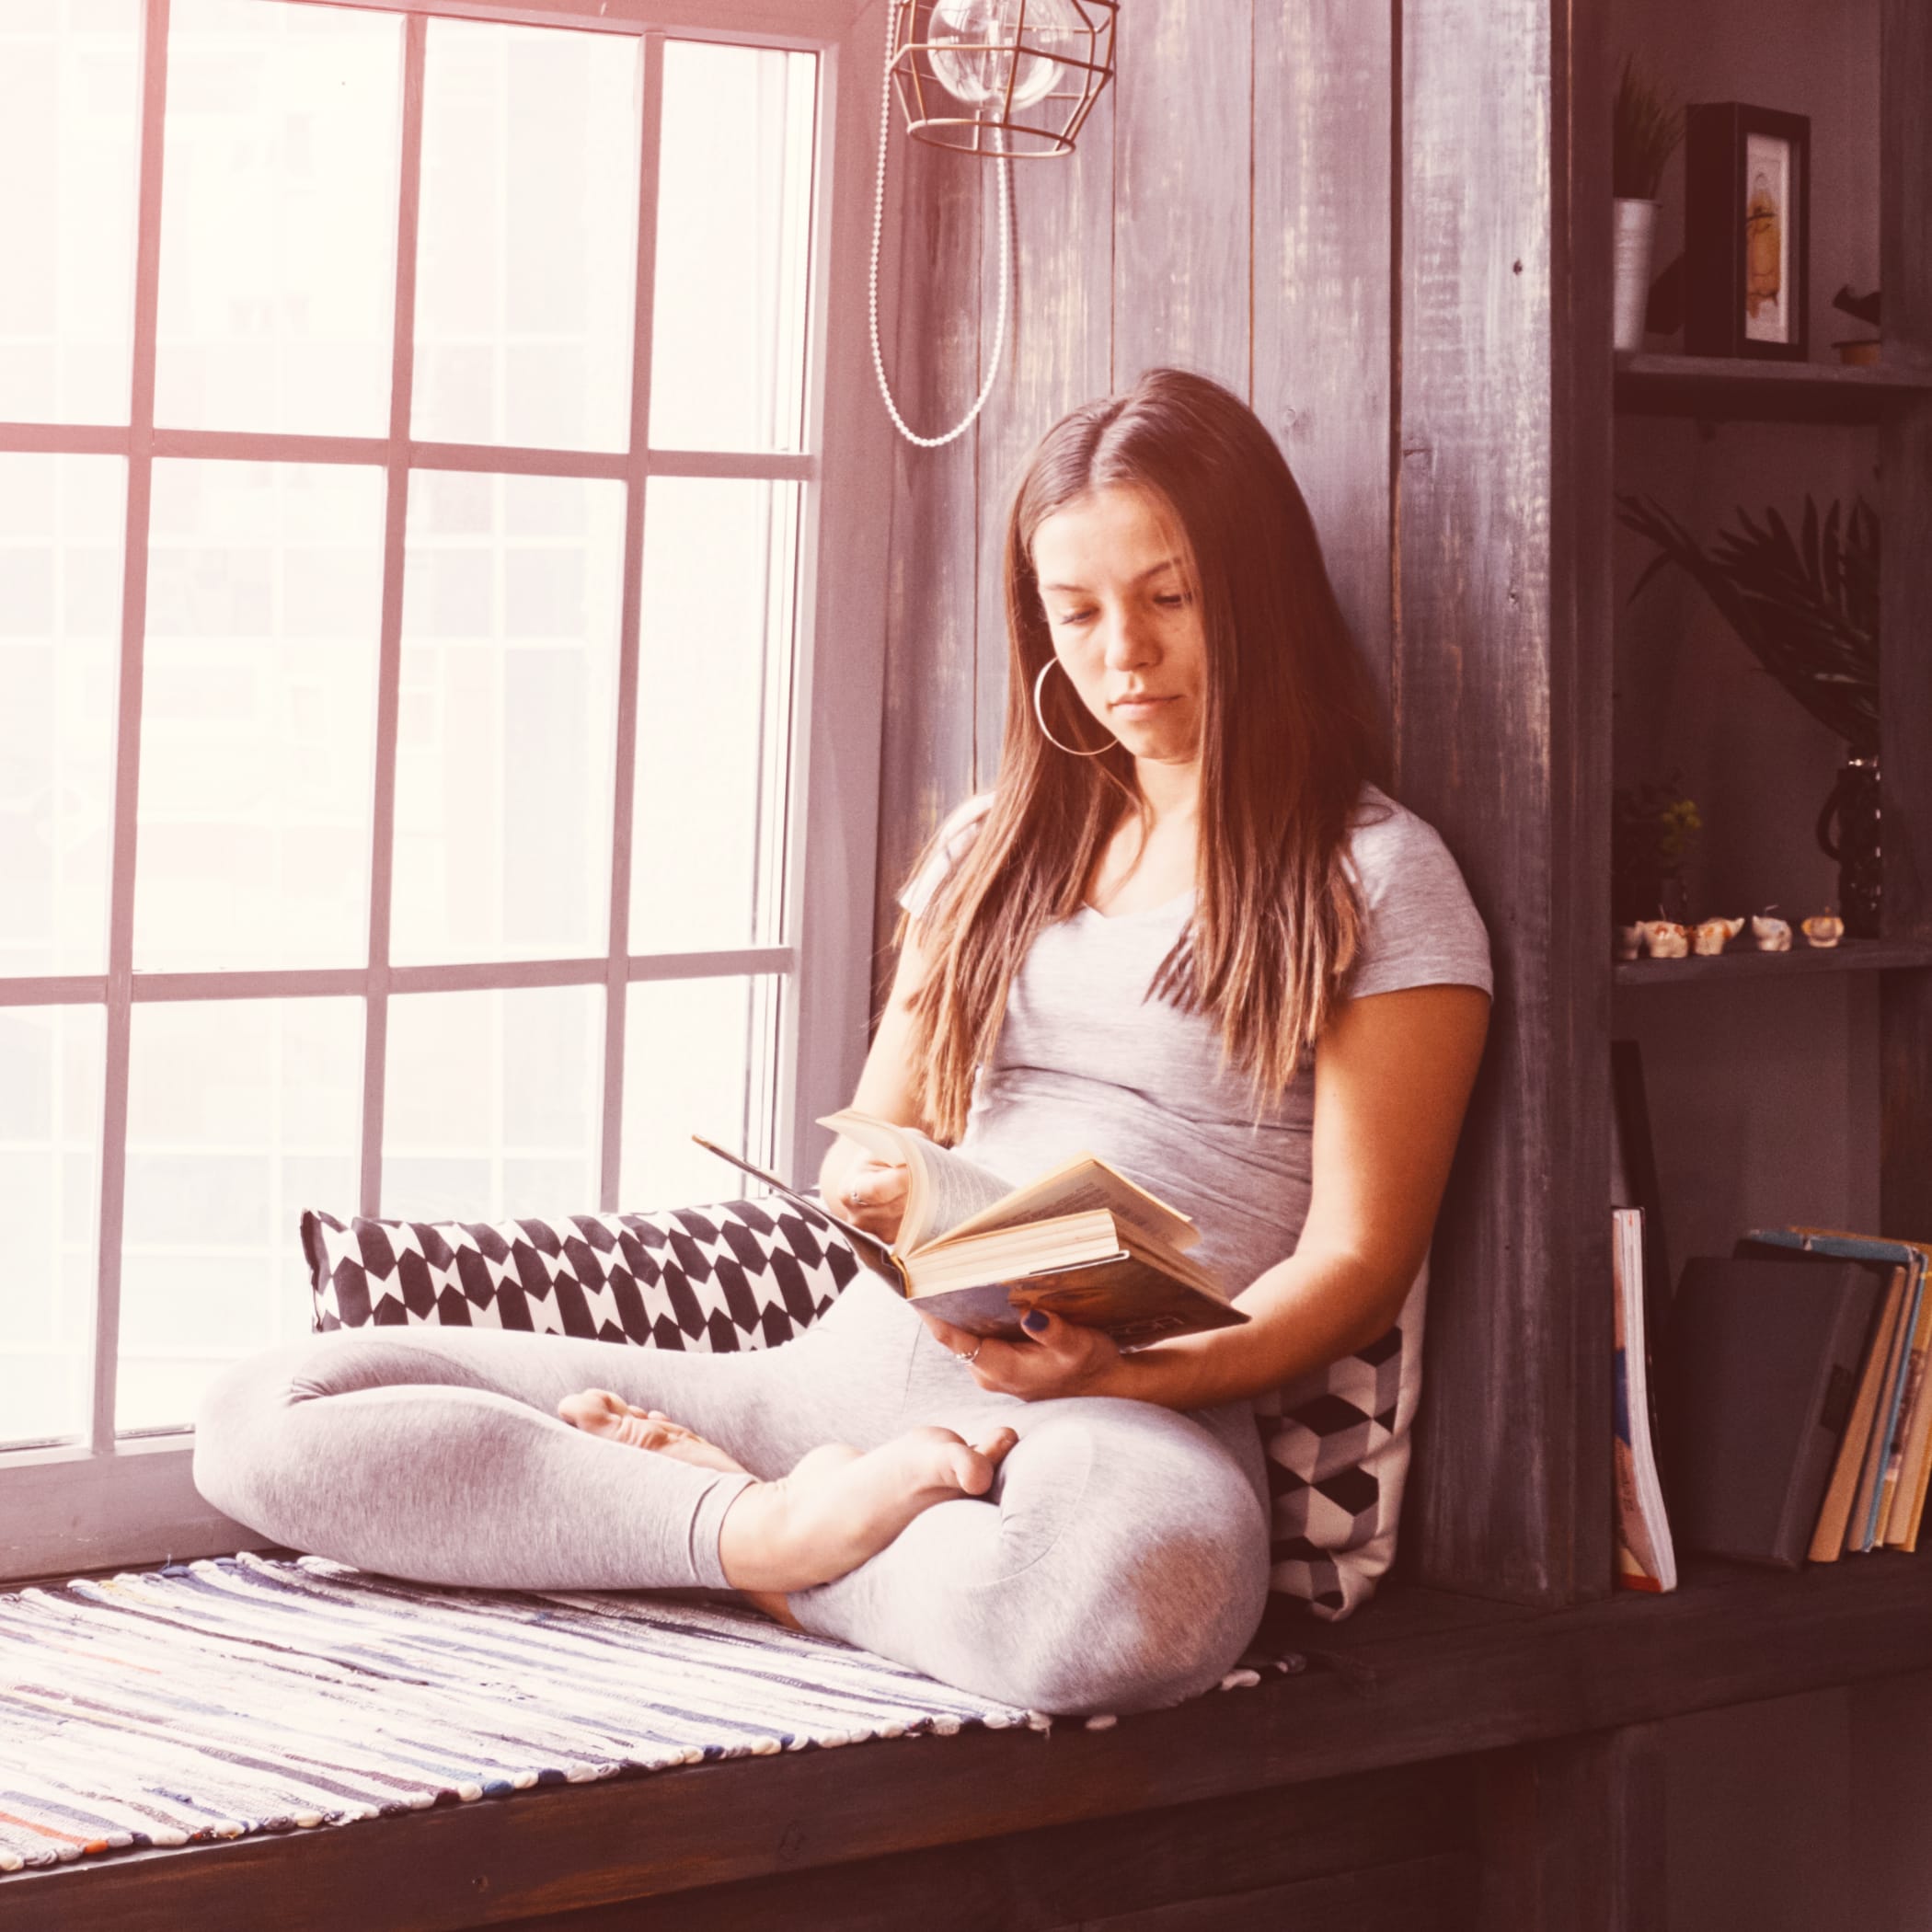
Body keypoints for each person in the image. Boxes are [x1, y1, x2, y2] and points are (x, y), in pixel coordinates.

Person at [193, 368, 1490, 1718]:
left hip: (1113, 1420)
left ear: (1259, 590)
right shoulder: (993, 847)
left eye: (1170, 598)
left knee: (1131, 1604)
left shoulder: (1380, 879)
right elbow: (886, 1145)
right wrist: (879, 1193)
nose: (1126, 655)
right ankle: (762, 1529)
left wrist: (1129, 1365)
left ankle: (749, 1543)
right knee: (269, 1410)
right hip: (839, 1378)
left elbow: (1355, 1259)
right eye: (1080, 611)